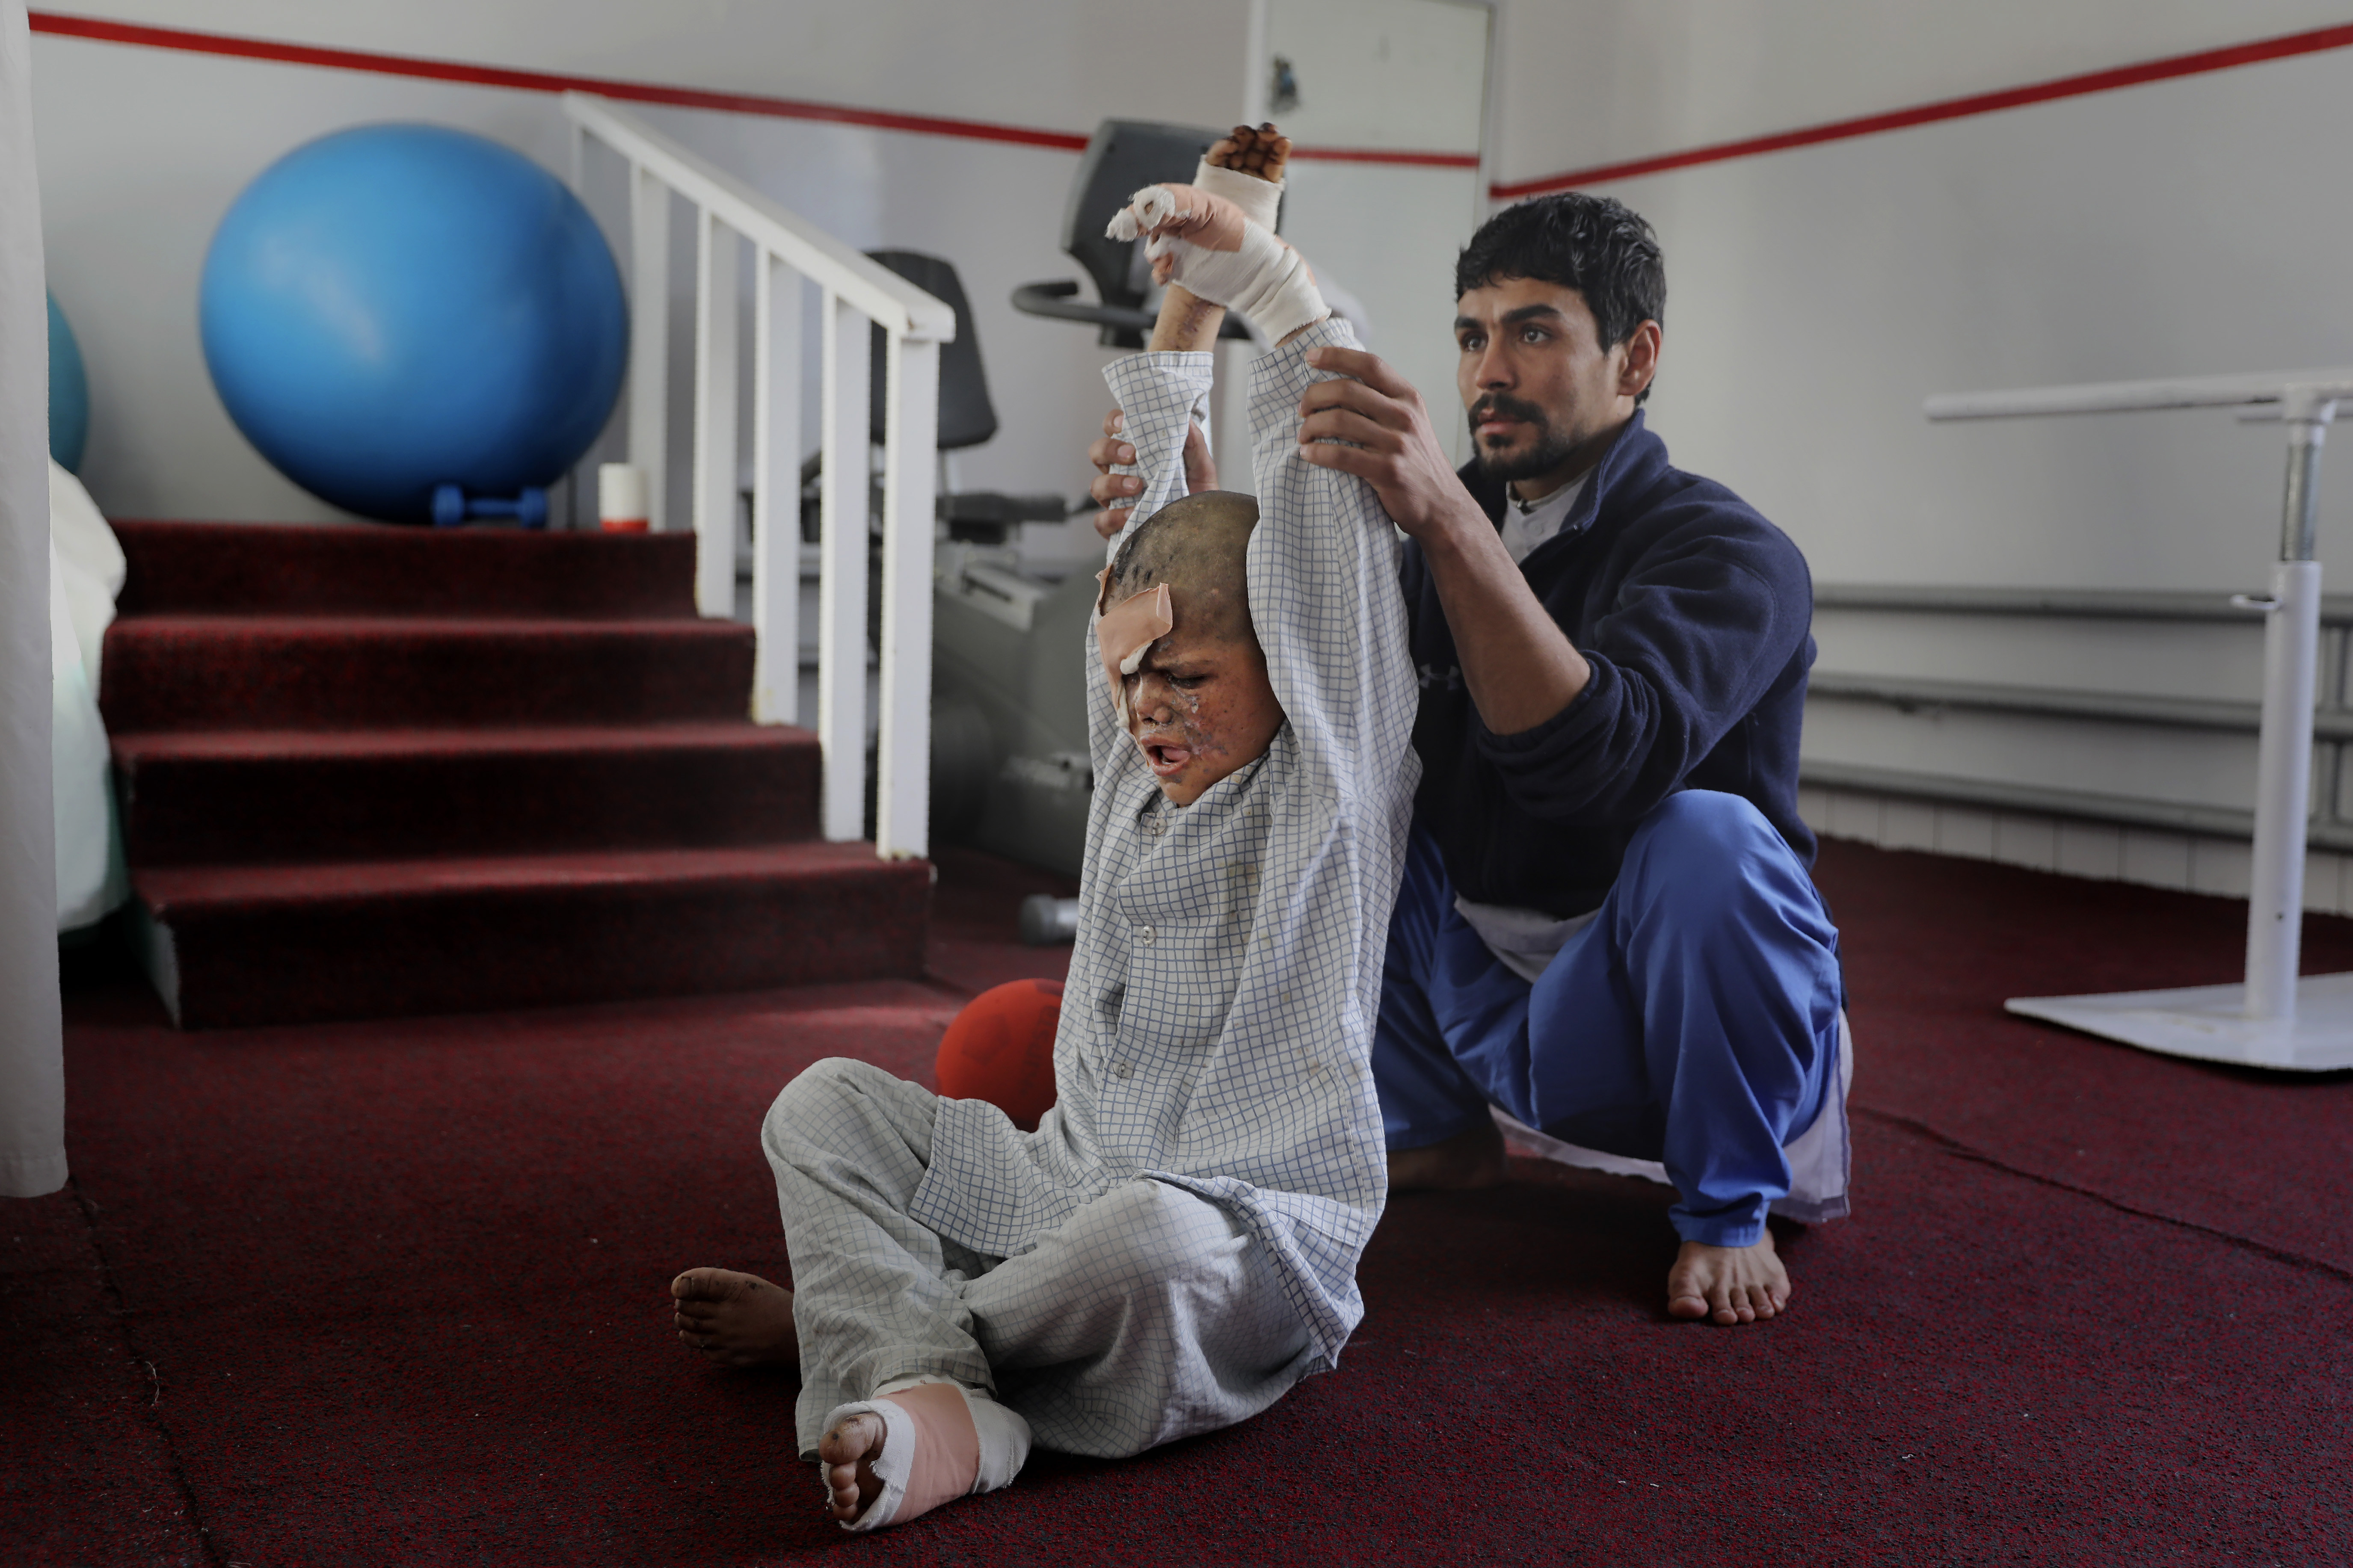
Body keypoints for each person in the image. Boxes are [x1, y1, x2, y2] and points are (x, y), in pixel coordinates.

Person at [668, 126, 1419, 1530]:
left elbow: (1323, 516)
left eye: (1184, 677)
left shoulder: (1333, 775)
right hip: (1065, 1181)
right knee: (820, 1101)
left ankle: (882, 1343)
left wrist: (1257, 260)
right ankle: (926, 1371)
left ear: (1294, 667)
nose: (1144, 709)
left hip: (1241, 1235)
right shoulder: (1144, 746)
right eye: (1130, 676)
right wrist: (1181, 304)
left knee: (1145, 1245)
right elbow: (1149, 514)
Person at [1089, 191, 1847, 1329]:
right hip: (1483, 998)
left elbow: (1593, 767)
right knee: (1346, 778)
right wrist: (1187, 513)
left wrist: (1445, 515)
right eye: (1470, 334)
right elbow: (1298, 704)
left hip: (1656, 1018)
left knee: (1710, 840)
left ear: (1634, 358)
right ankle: (1434, 1127)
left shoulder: (1728, 554)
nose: (1490, 367)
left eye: (1534, 331)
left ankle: (1725, 1202)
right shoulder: (1432, 540)